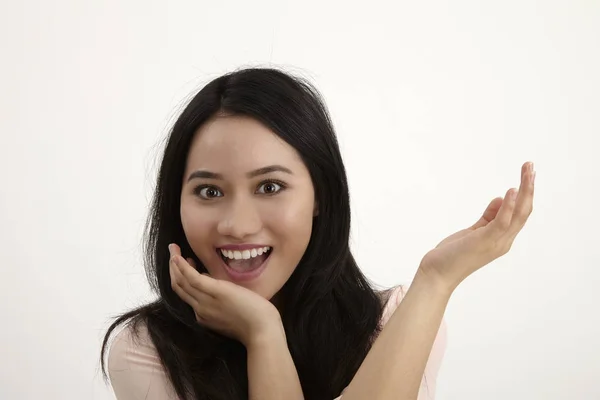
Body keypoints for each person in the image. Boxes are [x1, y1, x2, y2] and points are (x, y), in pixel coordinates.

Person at [100, 67, 535, 400]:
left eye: (270, 186)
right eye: (209, 190)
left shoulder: (395, 323)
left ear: (320, 197)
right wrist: (263, 334)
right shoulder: (146, 351)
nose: (237, 224)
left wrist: (436, 280)